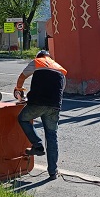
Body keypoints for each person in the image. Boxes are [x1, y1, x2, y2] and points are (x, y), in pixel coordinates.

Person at [15, 50, 67, 181]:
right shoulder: (59, 68)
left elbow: (22, 77)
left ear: (39, 56)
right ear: (50, 58)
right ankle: (53, 172)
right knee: (51, 136)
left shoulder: (37, 62)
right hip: (55, 105)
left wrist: (19, 90)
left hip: (37, 103)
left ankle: (37, 144)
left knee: (23, 118)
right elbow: (61, 88)